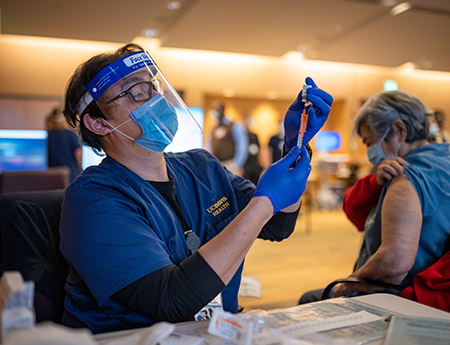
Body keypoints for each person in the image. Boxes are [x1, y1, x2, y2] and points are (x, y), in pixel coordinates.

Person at [59, 43, 333, 333]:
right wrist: (264, 201)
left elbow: (277, 225)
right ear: (99, 123)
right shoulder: (93, 199)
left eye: (151, 86)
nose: (153, 99)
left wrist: (295, 147)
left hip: (216, 332)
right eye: (135, 92)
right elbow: (171, 301)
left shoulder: (200, 166)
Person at [299, 90, 450, 303]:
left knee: (310, 299)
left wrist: (347, 283)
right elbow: (355, 210)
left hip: (400, 297)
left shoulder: (404, 176)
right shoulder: (443, 158)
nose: (370, 152)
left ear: (399, 130)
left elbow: (394, 263)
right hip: (434, 294)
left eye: (370, 141)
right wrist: (374, 181)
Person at [210, 102, 249, 175]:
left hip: (230, 165)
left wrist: (236, 163)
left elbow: (242, 145)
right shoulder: (215, 127)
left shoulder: (235, 126)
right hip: (216, 164)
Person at [46, 106, 82, 182]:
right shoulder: (71, 135)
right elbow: (78, 155)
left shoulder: (47, 136)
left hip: (52, 176)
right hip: (71, 174)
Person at [243, 117, 263, 185]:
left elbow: (259, 150)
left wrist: (261, 163)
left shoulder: (254, 135)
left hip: (255, 164)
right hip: (245, 165)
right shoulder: (242, 136)